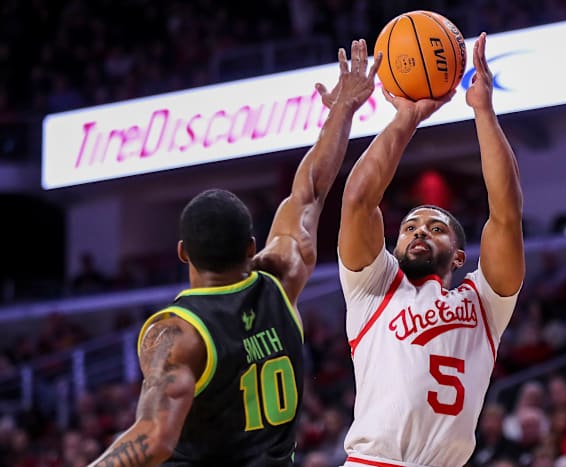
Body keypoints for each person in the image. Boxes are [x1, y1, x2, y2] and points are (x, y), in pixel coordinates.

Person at [87, 39, 382, 467]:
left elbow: (153, 439)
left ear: (183, 253)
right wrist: (344, 109)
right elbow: (312, 190)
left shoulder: (176, 334)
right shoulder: (283, 274)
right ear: (250, 247)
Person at [338, 32, 524, 466]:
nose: (419, 232)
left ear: (460, 256)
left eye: (436, 228)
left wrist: (483, 111)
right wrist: (407, 118)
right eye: (409, 227)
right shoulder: (372, 288)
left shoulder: (484, 303)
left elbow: (506, 215)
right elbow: (358, 201)